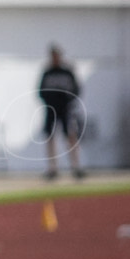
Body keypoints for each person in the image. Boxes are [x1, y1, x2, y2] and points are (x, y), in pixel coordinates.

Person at [38, 44, 85, 179]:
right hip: (51, 110)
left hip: (66, 110)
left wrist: (68, 102)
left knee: (71, 136)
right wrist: (49, 102)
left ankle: (76, 166)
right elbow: (41, 91)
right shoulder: (47, 73)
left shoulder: (67, 72)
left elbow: (76, 89)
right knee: (50, 138)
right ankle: (52, 168)